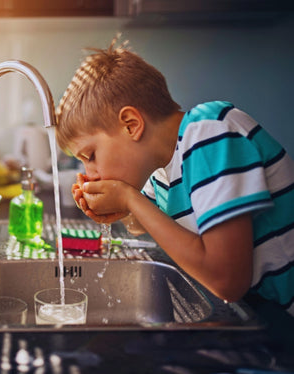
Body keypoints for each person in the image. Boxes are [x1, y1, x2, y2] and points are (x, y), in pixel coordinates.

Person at [55, 36, 294, 317]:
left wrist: (129, 200)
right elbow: (142, 224)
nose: (89, 174)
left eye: (91, 156)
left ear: (131, 125)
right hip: (270, 313)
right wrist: (118, 210)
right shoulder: (162, 167)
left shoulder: (210, 132)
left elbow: (227, 282)